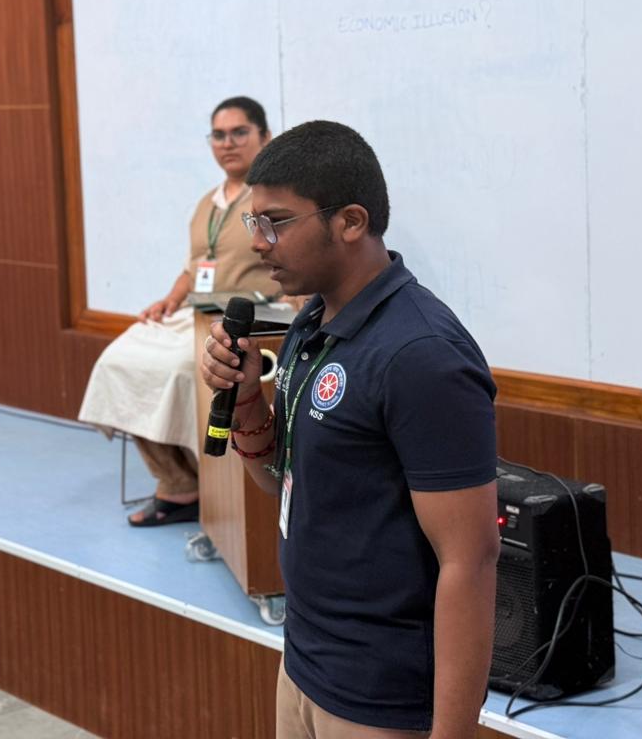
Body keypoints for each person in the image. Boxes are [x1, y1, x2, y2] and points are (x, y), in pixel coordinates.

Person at [201, 121, 498, 739]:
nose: (257, 242)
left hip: (380, 699)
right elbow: (283, 482)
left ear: (351, 221)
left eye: (275, 222)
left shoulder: (420, 354)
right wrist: (248, 402)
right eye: (254, 222)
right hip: (304, 664)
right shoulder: (312, 323)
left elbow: (470, 561)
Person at [78, 96, 277, 526]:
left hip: (247, 319)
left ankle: (200, 485)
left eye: (239, 133)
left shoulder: (272, 198)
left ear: (265, 136)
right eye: (218, 135)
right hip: (196, 312)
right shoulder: (208, 203)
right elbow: (195, 267)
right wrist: (170, 299)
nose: (227, 143)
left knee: (176, 368)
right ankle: (178, 479)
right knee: (119, 360)